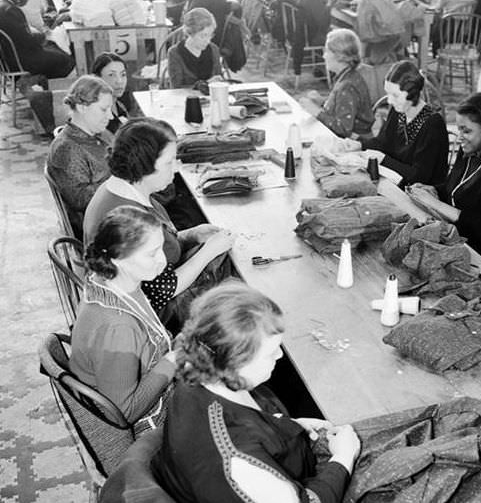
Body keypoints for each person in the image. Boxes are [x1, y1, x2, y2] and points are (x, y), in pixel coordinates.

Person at [152, 281, 361, 503]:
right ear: (235, 363)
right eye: (271, 353)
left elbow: (246, 421)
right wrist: (343, 458)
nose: (280, 356)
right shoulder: (237, 460)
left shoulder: (200, 375)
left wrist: (288, 425)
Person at [83, 118, 234, 324]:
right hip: (149, 317)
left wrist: (192, 234)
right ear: (144, 164)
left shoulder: (128, 189)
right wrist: (209, 252)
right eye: (169, 162)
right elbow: (160, 291)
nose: (175, 168)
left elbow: (156, 244)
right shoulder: (124, 214)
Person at [70, 206, 177, 433]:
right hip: (147, 426)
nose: (163, 260)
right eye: (152, 253)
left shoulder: (110, 282)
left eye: (161, 249)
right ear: (118, 258)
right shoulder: (118, 327)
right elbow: (124, 412)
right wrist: (173, 361)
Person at [407, 92, 481, 257]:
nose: (460, 137)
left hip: (473, 248)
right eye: (459, 130)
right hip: (447, 228)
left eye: (466, 131)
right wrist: (433, 190)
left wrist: (435, 204)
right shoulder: (470, 149)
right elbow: (456, 189)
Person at [359, 60, 449, 189]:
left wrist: (384, 159)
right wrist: (358, 144)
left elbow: (419, 176)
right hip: (397, 182)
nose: (389, 100)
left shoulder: (432, 124)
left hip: (423, 193)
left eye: (395, 95)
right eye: (388, 93)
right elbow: (383, 142)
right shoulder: (399, 111)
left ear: (412, 93)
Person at [47, 75, 114, 239]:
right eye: (104, 109)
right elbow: (82, 200)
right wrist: (126, 175)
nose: (111, 116)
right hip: (104, 231)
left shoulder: (98, 133)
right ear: (82, 107)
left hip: (116, 210)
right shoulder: (67, 149)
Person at [299, 28, 373, 138]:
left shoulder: (347, 86)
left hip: (355, 143)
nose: (324, 56)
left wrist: (317, 112)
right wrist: (322, 101)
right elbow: (343, 105)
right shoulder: (348, 75)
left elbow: (343, 129)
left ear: (340, 56)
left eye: (327, 51)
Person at [0, 0, 74, 78]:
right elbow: (27, 41)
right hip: (21, 62)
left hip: (10, 60)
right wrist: (41, 36)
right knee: (66, 59)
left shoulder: (3, 6)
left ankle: (41, 81)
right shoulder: (11, 11)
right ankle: (35, 80)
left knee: (53, 46)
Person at [167, 7, 223, 88]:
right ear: (190, 33)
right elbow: (176, 88)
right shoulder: (175, 53)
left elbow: (219, 80)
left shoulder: (214, 50)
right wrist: (205, 84)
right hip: (186, 99)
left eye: (210, 35)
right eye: (203, 36)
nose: (208, 41)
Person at [91, 52, 135, 134]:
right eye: (111, 75)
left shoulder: (120, 104)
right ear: (97, 78)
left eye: (123, 74)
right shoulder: (96, 114)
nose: (119, 81)